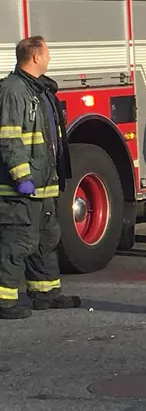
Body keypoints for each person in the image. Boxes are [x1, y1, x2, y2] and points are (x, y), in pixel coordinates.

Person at [0, 36, 80, 319]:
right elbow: (9, 138)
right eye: (47, 52)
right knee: (17, 242)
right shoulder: (13, 91)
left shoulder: (39, 89)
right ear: (35, 57)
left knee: (46, 239)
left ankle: (46, 293)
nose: (49, 57)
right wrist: (21, 176)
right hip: (20, 187)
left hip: (44, 184)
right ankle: (4, 301)